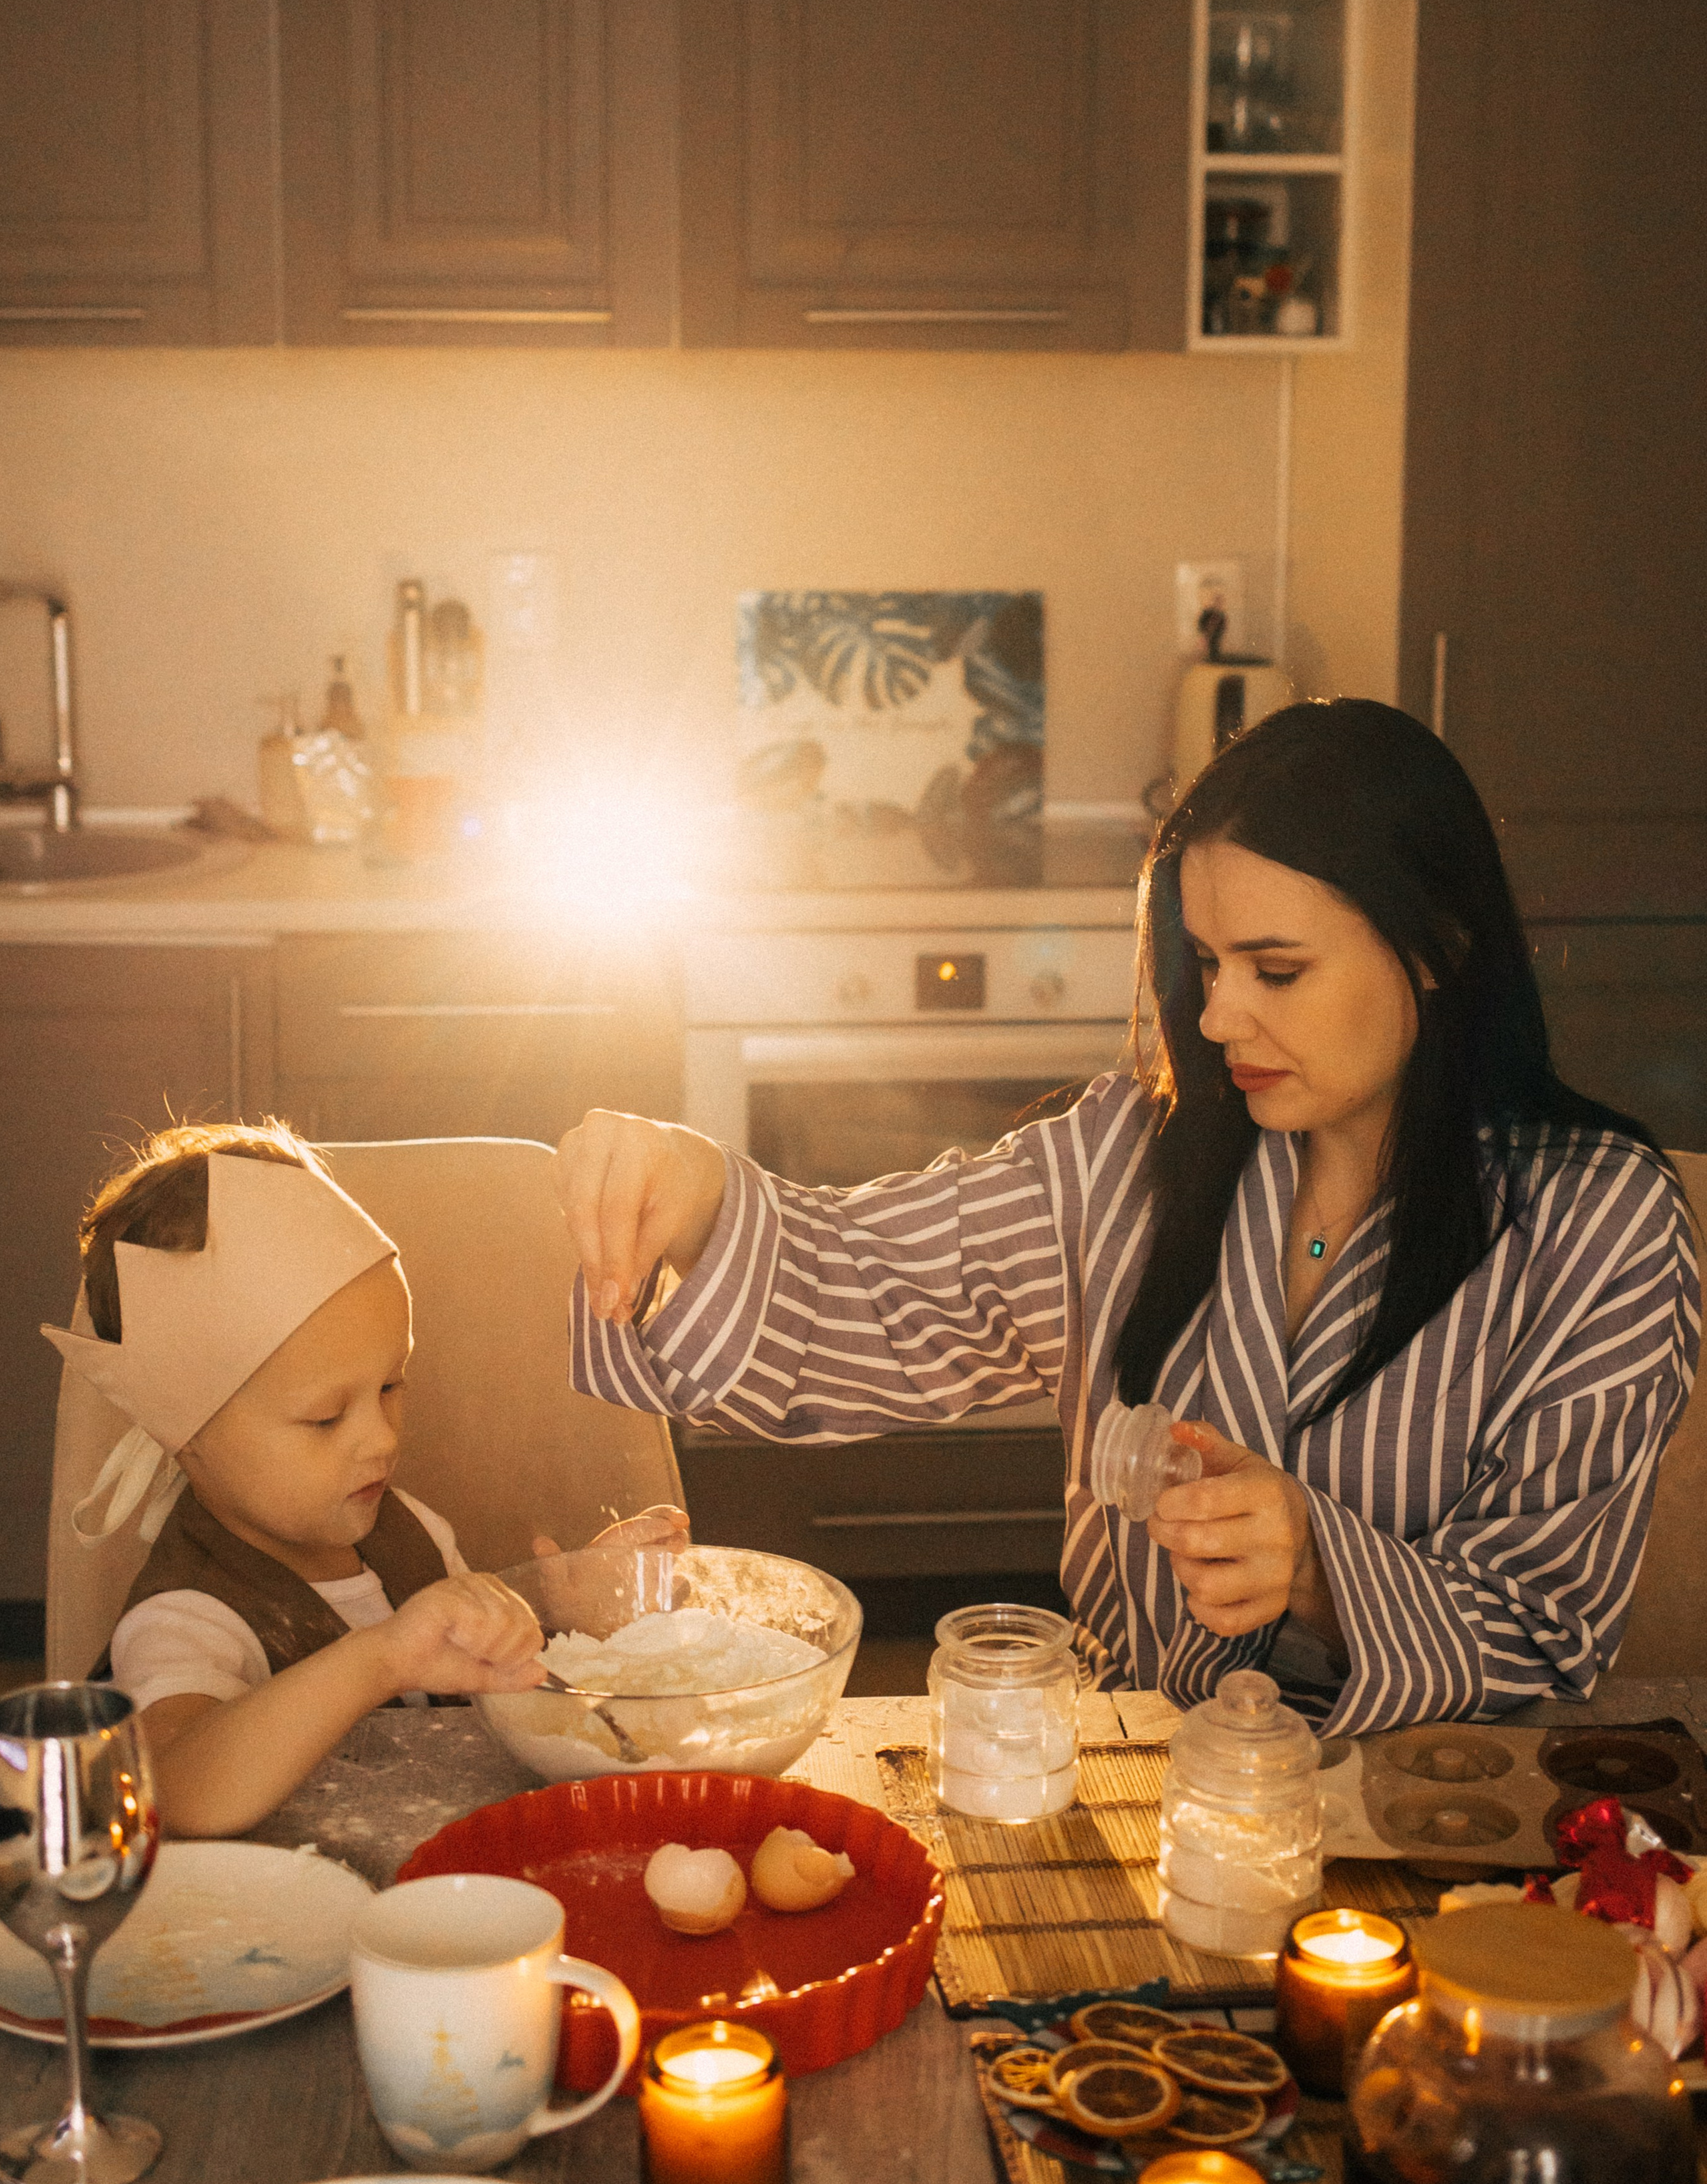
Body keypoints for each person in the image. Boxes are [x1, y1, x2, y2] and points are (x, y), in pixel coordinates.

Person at [556, 699, 1700, 1734]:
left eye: (1278, 971)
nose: (1217, 1020)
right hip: (1134, 1782)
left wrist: (1319, 1569)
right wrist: (697, 1197)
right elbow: (868, 1286)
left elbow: (1551, 1638)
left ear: (1441, 947)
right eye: (1205, 964)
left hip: (1436, 1827)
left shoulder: (1601, 1226)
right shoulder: (1124, 1157)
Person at [45, 1122, 550, 1835]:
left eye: (390, 1385)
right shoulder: (187, 1618)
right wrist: (379, 1661)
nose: (381, 1437)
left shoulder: (411, 1530)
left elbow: (488, 1670)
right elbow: (182, 1791)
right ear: (186, 1439)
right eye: (323, 1418)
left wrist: (574, 1598)